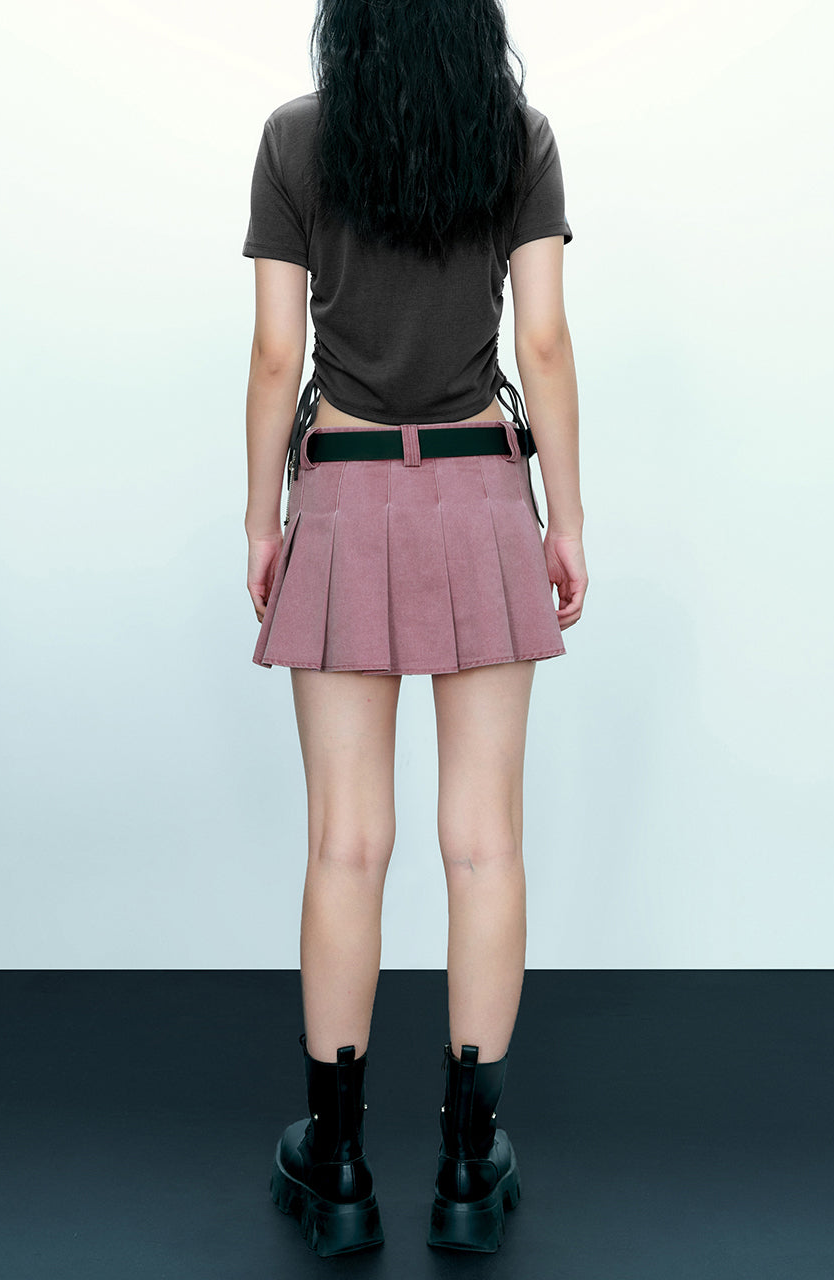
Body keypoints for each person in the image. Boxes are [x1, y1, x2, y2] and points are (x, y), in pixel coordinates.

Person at [242, 0, 586, 1257]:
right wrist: (567, 518)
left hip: (341, 495)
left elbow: (275, 354)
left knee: (346, 843)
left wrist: (261, 519)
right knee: (483, 844)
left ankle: (336, 1167)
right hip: (481, 494)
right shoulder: (515, 136)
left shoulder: (294, 139)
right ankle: (464, 1164)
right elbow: (539, 337)